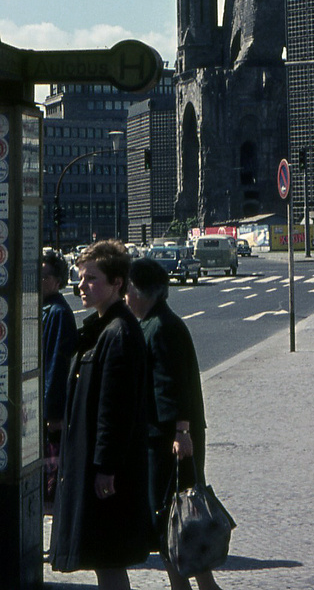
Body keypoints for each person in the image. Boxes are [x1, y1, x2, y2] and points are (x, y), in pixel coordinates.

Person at [49, 240, 151, 590]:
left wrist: (106, 468)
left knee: (108, 556)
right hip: (96, 465)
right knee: (104, 557)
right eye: (80, 278)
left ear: (117, 283)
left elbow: (115, 409)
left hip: (106, 473)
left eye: (91, 278)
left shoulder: (118, 333)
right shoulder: (101, 328)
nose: (81, 285)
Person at [126, 258, 220, 590]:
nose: (125, 298)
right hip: (168, 438)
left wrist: (181, 431)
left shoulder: (161, 327)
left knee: (171, 519)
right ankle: (193, 586)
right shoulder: (157, 322)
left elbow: (173, 386)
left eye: (127, 291)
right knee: (175, 521)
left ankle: (193, 587)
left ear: (138, 291)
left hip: (168, 441)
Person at [42, 250, 79, 513]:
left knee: (51, 469)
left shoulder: (57, 312)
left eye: (43, 276)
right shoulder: (44, 307)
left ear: (57, 280)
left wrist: (52, 411)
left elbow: (57, 364)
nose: (37, 280)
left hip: (48, 412)